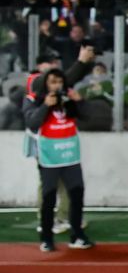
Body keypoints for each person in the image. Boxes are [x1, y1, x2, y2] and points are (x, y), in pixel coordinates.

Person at [23, 68, 92, 251]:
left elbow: (88, 118)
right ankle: (46, 237)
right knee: (49, 197)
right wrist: (46, 105)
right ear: (45, 84)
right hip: (49, 156)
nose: (57, 86)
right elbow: (32, 122)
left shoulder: (67, 100)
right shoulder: (34, 100)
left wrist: (80, 101)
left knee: (77, 194)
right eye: (52, 82)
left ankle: (77, 234)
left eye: (59, 82)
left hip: (70, 155)